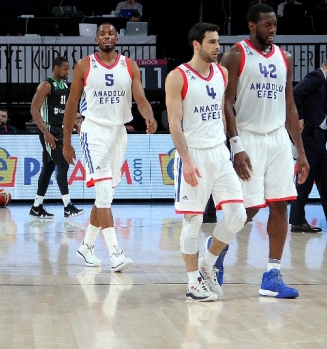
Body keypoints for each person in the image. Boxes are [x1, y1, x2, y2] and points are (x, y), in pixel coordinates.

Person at [221, 4, 309, 298]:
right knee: (247, 209)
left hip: (278, 139)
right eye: (267, 25)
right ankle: (215, 255)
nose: (272, 30)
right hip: (248, 137)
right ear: (252, 25)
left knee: (281, 204)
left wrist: (301, 151)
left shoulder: (285, 57)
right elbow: (226, 104)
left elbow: (290, 105)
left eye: (275, 25)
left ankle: (272, 274)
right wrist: (236, 146)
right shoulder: (235, 55)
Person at [63, 23, 157, 272]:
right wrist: (66, 141)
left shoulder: (129, 65)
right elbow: (72, 104)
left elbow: (141, 99)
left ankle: (86, 246)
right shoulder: (84, 65)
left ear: (117, 38)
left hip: (119, 132)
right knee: (104, 194)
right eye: (102, 34)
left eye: (111, 33)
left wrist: (149, 116)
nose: (107, 36)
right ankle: (116, 253)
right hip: (93, 132)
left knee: (106, 196)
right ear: (96, 40)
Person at [164, 22, 247, 302]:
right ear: (196, 44)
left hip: (219, 154)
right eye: (212, 42)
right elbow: (174, 123)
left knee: (238, 215)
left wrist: (231, 148)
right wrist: (186, 160)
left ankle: (207, 264)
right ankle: (192, 283)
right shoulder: (178, 77)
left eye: (218, 41)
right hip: (194, 155)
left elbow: (223, 113)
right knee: (193, 221)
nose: (218, 47)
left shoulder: (222, 73)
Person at [290, 56, 327, 232]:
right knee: (305, 178)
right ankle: (297, 221)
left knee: (325, 178)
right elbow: (296, 93)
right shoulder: (316, 77)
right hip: (311, 137)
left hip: (319, 138)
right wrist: (299, 118)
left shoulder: (321, 82)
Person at [28, 56, 84, 219]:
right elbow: (34, 109)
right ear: (56, 68)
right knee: (63, 163)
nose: (68, 72)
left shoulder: (64, 85)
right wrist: (45, 132)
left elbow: (65, 109)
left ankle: (37, 206)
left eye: (69, 69)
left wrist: (73, 122)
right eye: (65, 69)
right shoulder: (46, 85)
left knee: (48, 168)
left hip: (60, 129)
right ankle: (68, 206)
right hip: (50, 131)